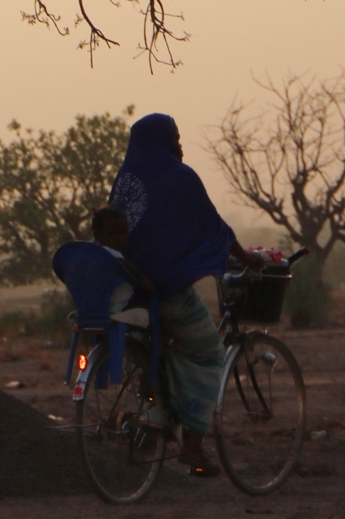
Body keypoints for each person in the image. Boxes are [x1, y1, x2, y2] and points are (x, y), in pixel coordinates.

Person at [107, 112, 261, 476]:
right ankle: (193, 444)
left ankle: (155, 418)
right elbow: (214, 227)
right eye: (175, 138)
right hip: (165, 292)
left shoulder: (126, 181)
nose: (180, 145)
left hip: (128, 293)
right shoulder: (180, 178)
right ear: (162, 141)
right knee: (209, 352)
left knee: (167, 349)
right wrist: (246, 258)